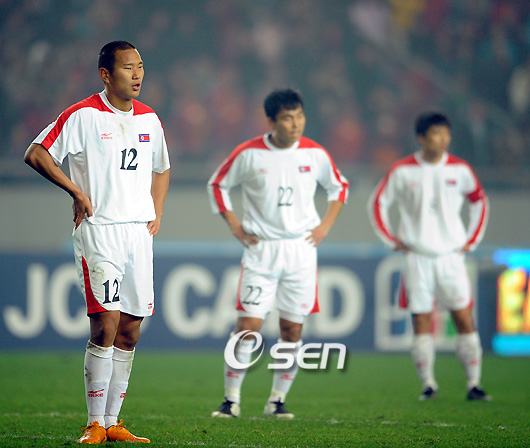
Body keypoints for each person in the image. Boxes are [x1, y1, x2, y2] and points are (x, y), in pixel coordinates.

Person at [24, 41, 170, 443]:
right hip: (99, 230)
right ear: (106, 74)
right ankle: (93, 423)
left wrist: (156, 211)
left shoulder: (149, 119)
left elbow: (161, 168)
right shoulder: (83, 115)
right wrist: (75, 191)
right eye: (127, 67)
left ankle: (112, 422)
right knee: (105, 322)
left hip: (138, 233)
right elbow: (36, 154)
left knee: (131, 329)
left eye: (140, 66)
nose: (137, 75)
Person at [207, 88, 349, 418]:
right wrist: (234, 225)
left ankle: (277, 401)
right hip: (262, 250)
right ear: (271, 121)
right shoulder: (249, 153)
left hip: (301, 251)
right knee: (248, 326)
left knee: (292, 330)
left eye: (299, 116)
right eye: (287, 118)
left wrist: (325, 225)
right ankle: (231, 399)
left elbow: (339, 186)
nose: (295, 123)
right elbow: (217, 184)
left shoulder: (315, 153)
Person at [367, 111, 491, 402]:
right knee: (422, 320)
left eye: (446, 133)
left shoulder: (460, 169)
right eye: (436, 133)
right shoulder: (402, 170)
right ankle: (428, 384)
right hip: (418, 256)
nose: (443, 139)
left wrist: (471, 239)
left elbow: (479, 201)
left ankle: (474, 383)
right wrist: (391, 240)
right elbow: (378, 203)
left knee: (463, 318)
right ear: (421, 137)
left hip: (451, 256)